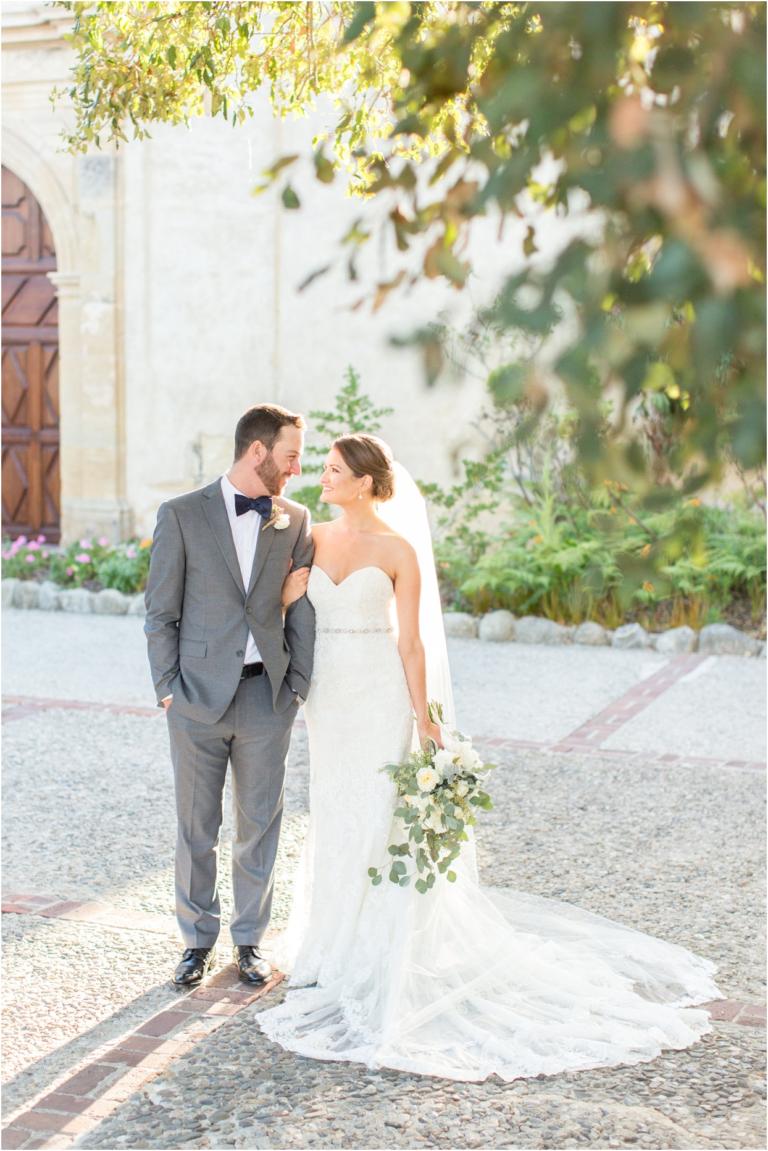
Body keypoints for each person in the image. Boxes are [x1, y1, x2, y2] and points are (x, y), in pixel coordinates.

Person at [256, 433, 723, 1083]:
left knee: (380, 813)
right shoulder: (310, 536)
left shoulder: (398, 550)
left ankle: (379, 949)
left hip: (383, 696)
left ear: (365, 481)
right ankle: (330, 943)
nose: (322, 478)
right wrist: (284, 602)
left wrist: (428, 722)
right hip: (329, 700)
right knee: (336, 812)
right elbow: (286, 613)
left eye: (334, 470)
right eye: (325, 469)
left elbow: (414, 643)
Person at [144, 404, 315, 989]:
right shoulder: (182, 515)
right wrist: (168, 689)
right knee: (196, 825)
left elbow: (301, 613)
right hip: (194, 699)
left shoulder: (295, 518)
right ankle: (195, 941)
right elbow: (160, 613)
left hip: (266, 699)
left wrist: (295, 687)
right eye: (291, 455)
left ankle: (249, 941)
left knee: (260, 823)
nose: (298, 468)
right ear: (258, 451)